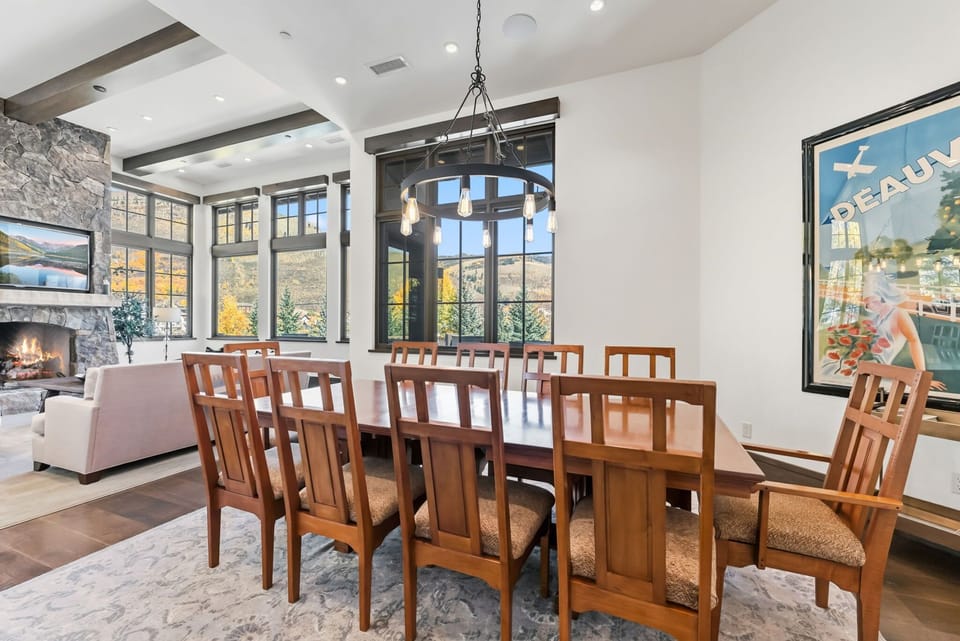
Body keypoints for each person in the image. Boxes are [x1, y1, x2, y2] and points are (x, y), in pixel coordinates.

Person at [861, 272, 947, 390]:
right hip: (870, 367)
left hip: (882, 368)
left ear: (884, 296)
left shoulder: (898, 313)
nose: (871, 306)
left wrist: (921, 376)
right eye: (867, 305)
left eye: (874, 302)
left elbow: (914, 341)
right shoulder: (877, 317)